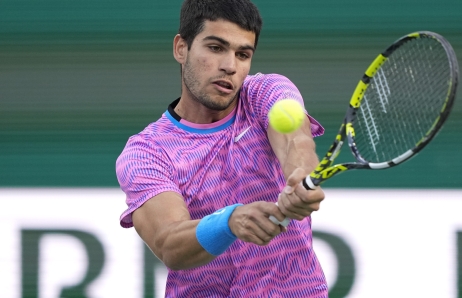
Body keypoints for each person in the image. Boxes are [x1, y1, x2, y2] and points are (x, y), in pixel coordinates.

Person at [116, 0, 328, 296]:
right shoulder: (147, 152)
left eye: (243, 54)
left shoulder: (266, 92)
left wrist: (299, 177)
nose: (230, 66)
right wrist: (228, 222)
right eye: (216, 48)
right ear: (181, 48)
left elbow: (295, 141)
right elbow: (169, 244)